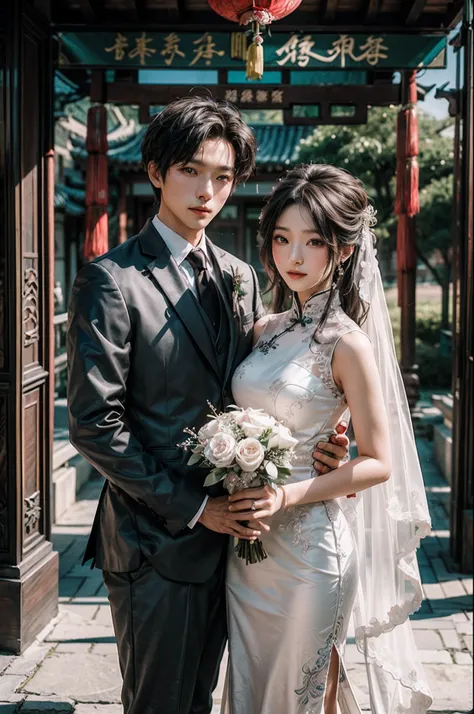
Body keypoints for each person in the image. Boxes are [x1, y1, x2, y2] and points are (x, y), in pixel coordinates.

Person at [66, 97, 349, 714]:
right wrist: (197, 508)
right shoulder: (113, 281)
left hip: (248, 544)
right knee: (161, 702)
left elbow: (258, 383)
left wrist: (322, 436)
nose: (208, 190)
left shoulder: (240, 275)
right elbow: (94, 424)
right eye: (192, 170)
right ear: (155, 170)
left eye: (223, 177)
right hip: (156, 540)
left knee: (210, 696)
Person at [223, 164, 433, 714]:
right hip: (248, 548)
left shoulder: (348, 343)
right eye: (282, 239)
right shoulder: (263, 330)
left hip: (313, 548)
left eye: (313, 242)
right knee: (249, 682)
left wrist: (288, 493)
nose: (294, 256)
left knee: (306, 693)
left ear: (341, 250)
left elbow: (379, 462)